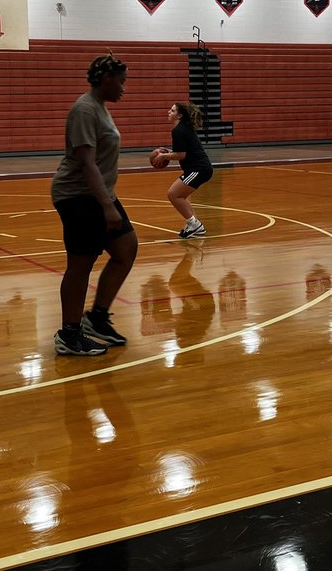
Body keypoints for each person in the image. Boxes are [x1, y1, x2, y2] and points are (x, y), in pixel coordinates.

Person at [50, 53, 138, 356]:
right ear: (106, 79)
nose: (124, 88)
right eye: (121, 82)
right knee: (80, 265)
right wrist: (107, 206)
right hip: (79, 196)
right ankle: (69, 334)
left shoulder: (99, 108)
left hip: (99, 194)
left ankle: (97, 318)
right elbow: (87, 164)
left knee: (126, 249)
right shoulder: (85, 109)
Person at [153, 102, 214, 238]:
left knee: (173, 194)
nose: (169, 112)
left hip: (199, 169)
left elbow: (181, 155)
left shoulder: (179, 130)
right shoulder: (182, 128)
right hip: (199, 169)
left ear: (179, 116)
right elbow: (182, 151)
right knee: (179, 196)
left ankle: (194, 225)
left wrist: (163, 156)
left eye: (172, 110)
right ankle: (195, 225)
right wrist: (167, 152)